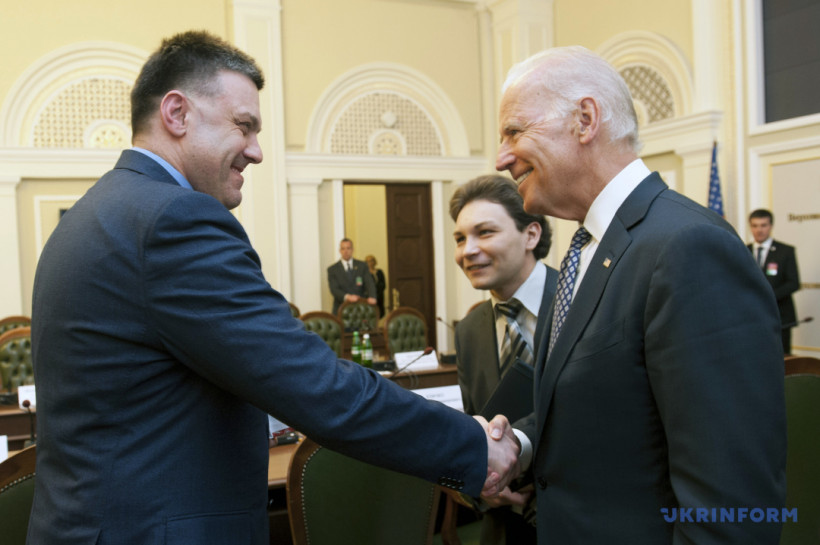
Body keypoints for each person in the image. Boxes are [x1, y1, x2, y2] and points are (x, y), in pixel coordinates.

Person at [28, 31, 520, 544]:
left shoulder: (93, 213)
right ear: (176, 114)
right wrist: (472, 444)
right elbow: (315, 387)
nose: (257, 152)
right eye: (244, 127)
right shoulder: (173, 219)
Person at [488, 46, 786, 543]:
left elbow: (731, 507)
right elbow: (604, 404)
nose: (501, 157)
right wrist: (520, 443)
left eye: (514, 132)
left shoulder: (689, 248)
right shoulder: (584, 250)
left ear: (585, 120)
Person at [450, 174, 558, 545]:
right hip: (504, 529)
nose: (468, 250)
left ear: (531, 235)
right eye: (460, 238)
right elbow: (472, 428)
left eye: (485, 232)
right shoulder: (468, 331)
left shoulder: (583, 302)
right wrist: (480, 487)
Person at [748, 208, 801, 354]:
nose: (759, 230)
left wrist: (768, 296)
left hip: (780, 317)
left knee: (781, 358)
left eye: (763, 225)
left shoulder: (786, 251)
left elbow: (793, 283)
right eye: (755, 225)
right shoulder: (744, 251)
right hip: (751, 317)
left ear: (771, 226)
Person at [327, 238, 377, 315]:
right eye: (343, 249)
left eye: (348, 248)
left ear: (352, 250)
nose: (346, 251)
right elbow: (334, 289)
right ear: (340, 251)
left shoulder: (362, 266)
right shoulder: (333, 269)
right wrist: (347, 297)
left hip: (360, 308)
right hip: (341, 309)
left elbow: (369, 283)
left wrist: (372, 296)